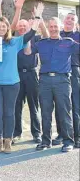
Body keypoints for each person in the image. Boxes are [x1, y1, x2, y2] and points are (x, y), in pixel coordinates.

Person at [0, 3, 44, 154]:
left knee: (9, 113)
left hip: (12, 83)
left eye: (4, 26)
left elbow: (31, 34)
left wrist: (37, 16)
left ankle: (8, 141)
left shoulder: (15, 42)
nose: (1, 29)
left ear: (8, 28)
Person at [33, 17, 79, 152]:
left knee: (64, 112)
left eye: (56, 26)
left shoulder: (68, 42)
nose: (53, 29)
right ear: (48, 27)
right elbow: (27, 51)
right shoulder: (41, 43)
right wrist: (34, 25)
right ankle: (46, 141)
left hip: (62, 81)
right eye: (51, 26)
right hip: (45, 81)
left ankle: (68, 141)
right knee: (46, 112)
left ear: (60, 27)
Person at [13, 18, 49, 144]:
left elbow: (47, 36)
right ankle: (17, 133)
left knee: (34, 106)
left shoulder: (36, 38)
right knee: (17, 106)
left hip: (31, 74)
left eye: (25, 25)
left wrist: (40, 21)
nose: (22, 28)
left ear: (29, 26)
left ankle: (36, 133)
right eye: (20, 26)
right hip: (17, 74)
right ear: (17, 28)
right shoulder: (15, 40)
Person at [52, 13, 80, 148]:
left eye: (72, 19)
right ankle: (62, 134)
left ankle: (77, 136)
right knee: (60, 105)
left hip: (74, 72)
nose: (69, 20)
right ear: (64, 21)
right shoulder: (58, 35)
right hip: (60, 73)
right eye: (68, 18)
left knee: (75, 105)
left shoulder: (78, 36)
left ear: (76, 23)